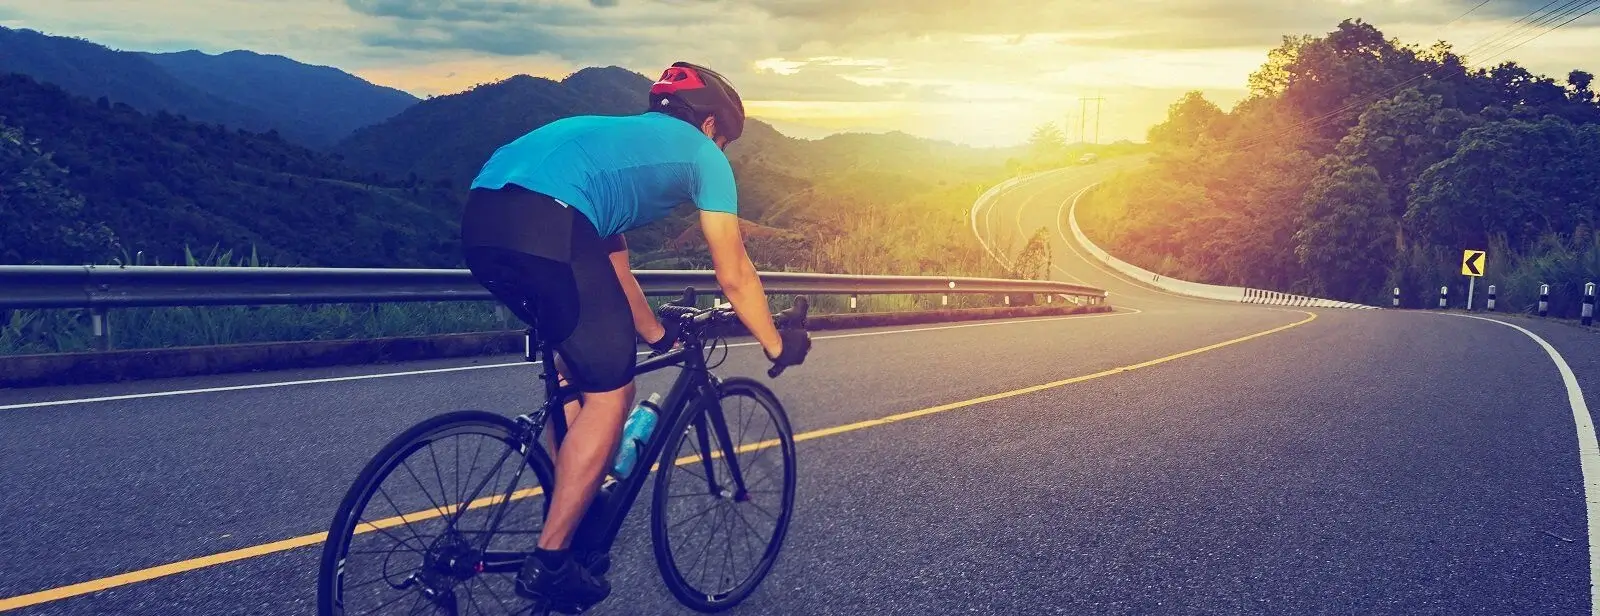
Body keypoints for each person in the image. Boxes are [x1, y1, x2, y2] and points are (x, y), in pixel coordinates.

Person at [458, 61, 811, 610]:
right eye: (726, 138)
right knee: (612, 395)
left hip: (483, 220)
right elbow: (734, 271)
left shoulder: (612, 150)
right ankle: (550, 562)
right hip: (550, 225)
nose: (724, 147)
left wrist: (655, 332)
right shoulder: (703, 155)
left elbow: (612, 270)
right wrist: (776, 342)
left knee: (580, 375)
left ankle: (566, 516)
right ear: (713, 124)